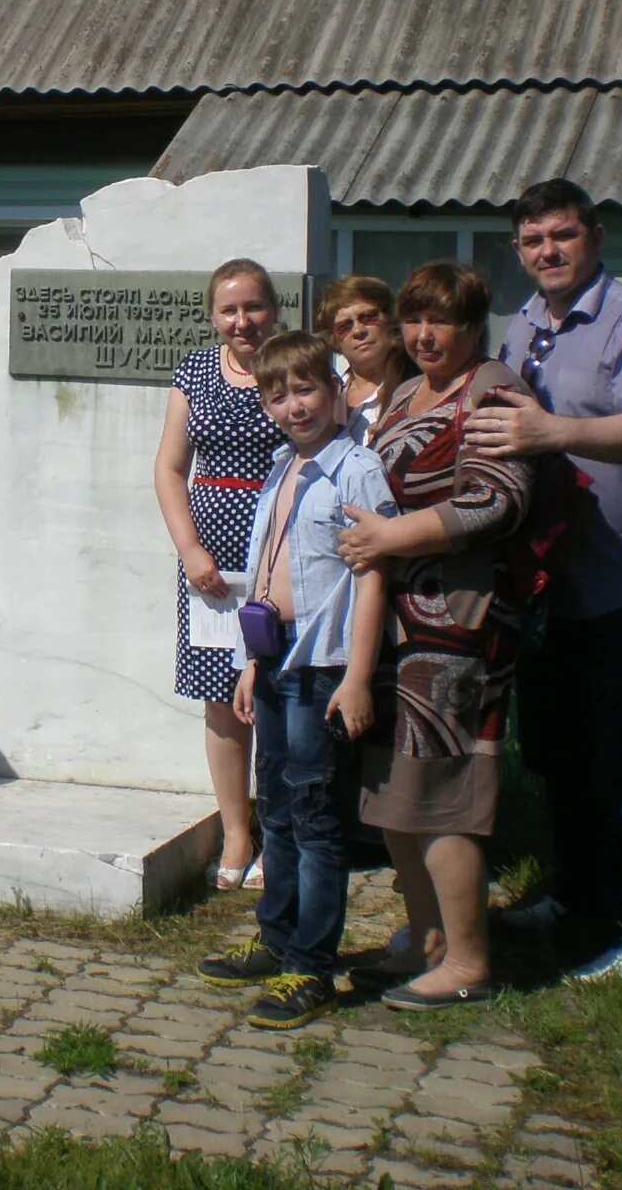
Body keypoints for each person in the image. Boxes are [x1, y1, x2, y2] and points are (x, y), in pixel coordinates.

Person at [468, 179, 622, 982]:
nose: (547, 252)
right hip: (545, 581)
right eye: (532, 241)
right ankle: (582, 896)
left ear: (594, 238)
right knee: (561, 753)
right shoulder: (522, 325)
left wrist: (552, 430)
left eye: (561, 236)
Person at [335, 262, 535, 1010]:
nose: (423, 334)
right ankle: (427, 938)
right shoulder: (408, 394)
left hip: (456, 622)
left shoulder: (491, 391)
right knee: (395, 789)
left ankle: (471, 961)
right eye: (413, 319)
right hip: (394, 624)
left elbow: (496, 502)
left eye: (440, 321)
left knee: (445, 791)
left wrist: (390, 537)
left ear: (473, 327)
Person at [198, 332, 394, 1028]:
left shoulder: (356, 471)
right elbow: (268, 576)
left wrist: (359, 679)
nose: (293, 406)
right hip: (276, 664)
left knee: (316, 821)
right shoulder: (283, 469)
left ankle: (312, 964)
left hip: (325, 670)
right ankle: (277, 938)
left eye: (306, 389)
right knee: (275, 808)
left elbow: (373, 576)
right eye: (277, 395)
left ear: (337, 391)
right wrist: (251, 663)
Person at [153, 259, 286, 891]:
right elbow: (170, 468)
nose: (242, 321)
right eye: (229, 309)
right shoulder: (196, 372)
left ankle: (284, 833)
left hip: (282, 553)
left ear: (275, 308)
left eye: (253, 306)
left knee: (282, 694)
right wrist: (190, 551)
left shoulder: (299, 367)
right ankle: (237, 830)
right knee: (221, 699)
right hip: (210, 565)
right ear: (213, 315)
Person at [312, 275, 410, 445]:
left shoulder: (414, 388)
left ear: (390, 319)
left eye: (368, 318)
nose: (358, 331)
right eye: (344, 327)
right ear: (334, 339)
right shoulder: (328, 394)